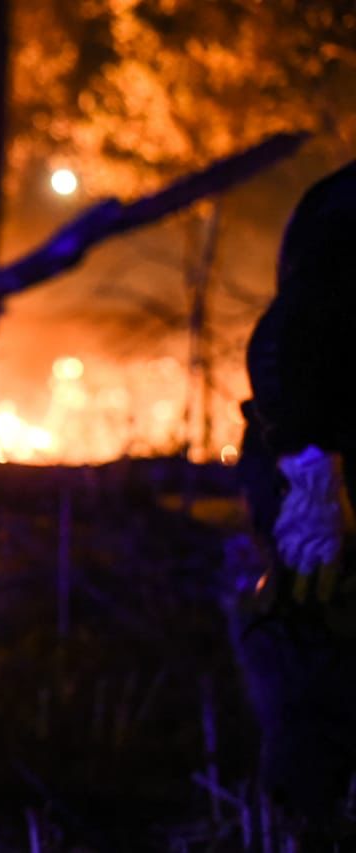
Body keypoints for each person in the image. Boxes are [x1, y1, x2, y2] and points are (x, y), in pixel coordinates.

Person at [233, 160, 356, 839]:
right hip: (320, 468)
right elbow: (285, 340)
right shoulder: (343, 209)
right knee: (317, 657)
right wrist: (311, 472)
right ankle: (305, 821)